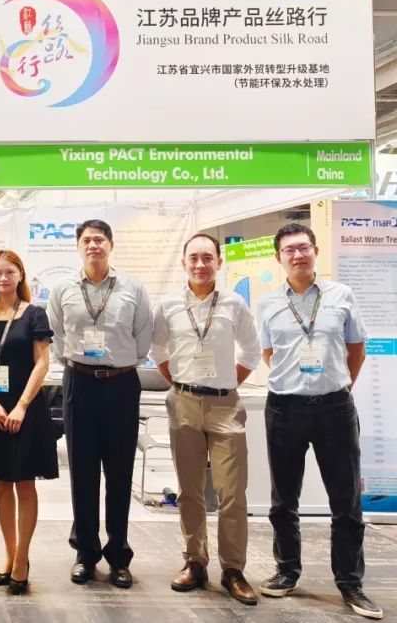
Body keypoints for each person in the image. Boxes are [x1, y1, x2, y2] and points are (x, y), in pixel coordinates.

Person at [256, 223, 381, 620]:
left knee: (346, 500)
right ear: (278, 258)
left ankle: (350, 582)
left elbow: (356, 350)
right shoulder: (267, 302)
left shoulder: (341, 295)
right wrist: (296, 384)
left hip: (334, 408)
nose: (297, 255)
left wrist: (336, 386)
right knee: (283, 499)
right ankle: (287, 570)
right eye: (289, 250)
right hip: (284, 408)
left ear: (315, 251)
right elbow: (270, 354)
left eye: (303, 248)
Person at [150, 233, 261, 605]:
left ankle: (233, 570)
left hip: (225, 406)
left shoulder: (234, 304)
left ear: (219, 262)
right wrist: (179, 382)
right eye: (194, 258)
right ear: (183, 262)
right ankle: (195, 561)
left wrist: (228, 384)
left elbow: (252, 350)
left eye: (207, 257)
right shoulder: (168, 305)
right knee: (190, 491)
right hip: (183, 402)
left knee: (232, 492)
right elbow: (158, 349)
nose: (200, 264)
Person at [46, 219, 153, 589]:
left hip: (121, 384)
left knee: (120, 472)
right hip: (79, 384)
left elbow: (143, 338)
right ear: (79, 246)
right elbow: (57, 335)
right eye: (87, 240)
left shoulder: (132, 288)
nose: (93, 245)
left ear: (111, 245)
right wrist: (79, 362)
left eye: (100, 239)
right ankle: (86, 554)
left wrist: (118, 363)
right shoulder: (63, 289)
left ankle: (119, 556)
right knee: (83, 472)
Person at [0, 250, 56, 595]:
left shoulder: (34, 314)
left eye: (9, 272)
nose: (3, 278)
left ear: (20, 275)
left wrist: (20, 406)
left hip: (26, 408)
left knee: (24, 483)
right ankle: (9, 555)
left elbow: (42, 363)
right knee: (1, 483)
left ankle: (22, 559)